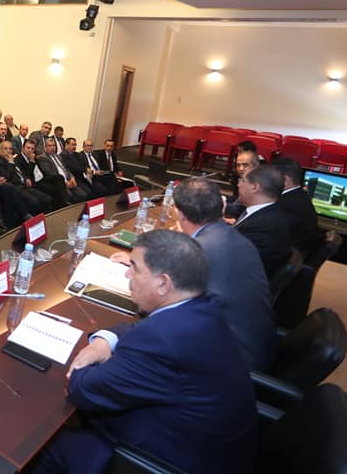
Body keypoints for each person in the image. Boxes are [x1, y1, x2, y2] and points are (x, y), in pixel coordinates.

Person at [38, 230, 257, 474]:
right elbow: (138, 329)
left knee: (40, 445)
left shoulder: (161, 341)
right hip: (205, 445)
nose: (127, 273)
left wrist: (84, 366)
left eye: (134, 267)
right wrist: (104, 340)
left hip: (159, 459)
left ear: (163, 284)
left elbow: (83, 390)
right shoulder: (202, 309)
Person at [172, 177, 277, 371]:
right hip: (254, 347)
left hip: (226, 364)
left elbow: (162, 303)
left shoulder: (197, 251)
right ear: (222, 206)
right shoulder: (236, 238)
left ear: (180, 214)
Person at [234, 164, 295, 278]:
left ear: (255, 187)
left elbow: (236, 262)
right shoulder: (268, 213)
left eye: (242, 180)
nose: (238, 184)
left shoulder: (264, 226)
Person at [272, 156, 323, 259]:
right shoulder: (299, 196)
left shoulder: (286, 205)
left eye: (271, 177)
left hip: (284, 258)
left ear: (285, 180)